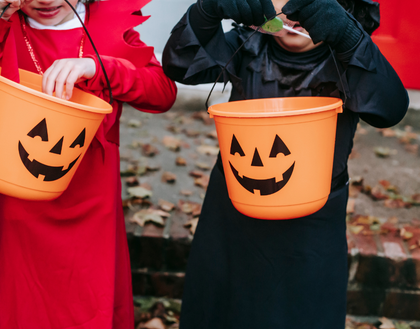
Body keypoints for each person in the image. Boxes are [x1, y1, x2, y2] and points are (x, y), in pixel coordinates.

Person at [162, 0, 408, 328]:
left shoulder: (350, 57)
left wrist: (350, 37)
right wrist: (207, 10)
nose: (296, 11)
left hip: (311, 230)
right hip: (233, 216)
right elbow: (178, 63)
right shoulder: (245, 46)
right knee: (221, 310)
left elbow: (391, 107)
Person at [0, 0, 177, 327]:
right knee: (28, 304)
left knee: (90, 301)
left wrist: (101, 68)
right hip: (22, 202)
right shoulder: (0, 24)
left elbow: (162, 92)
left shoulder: (105, 27)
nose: (46, 0)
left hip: (92, 200)